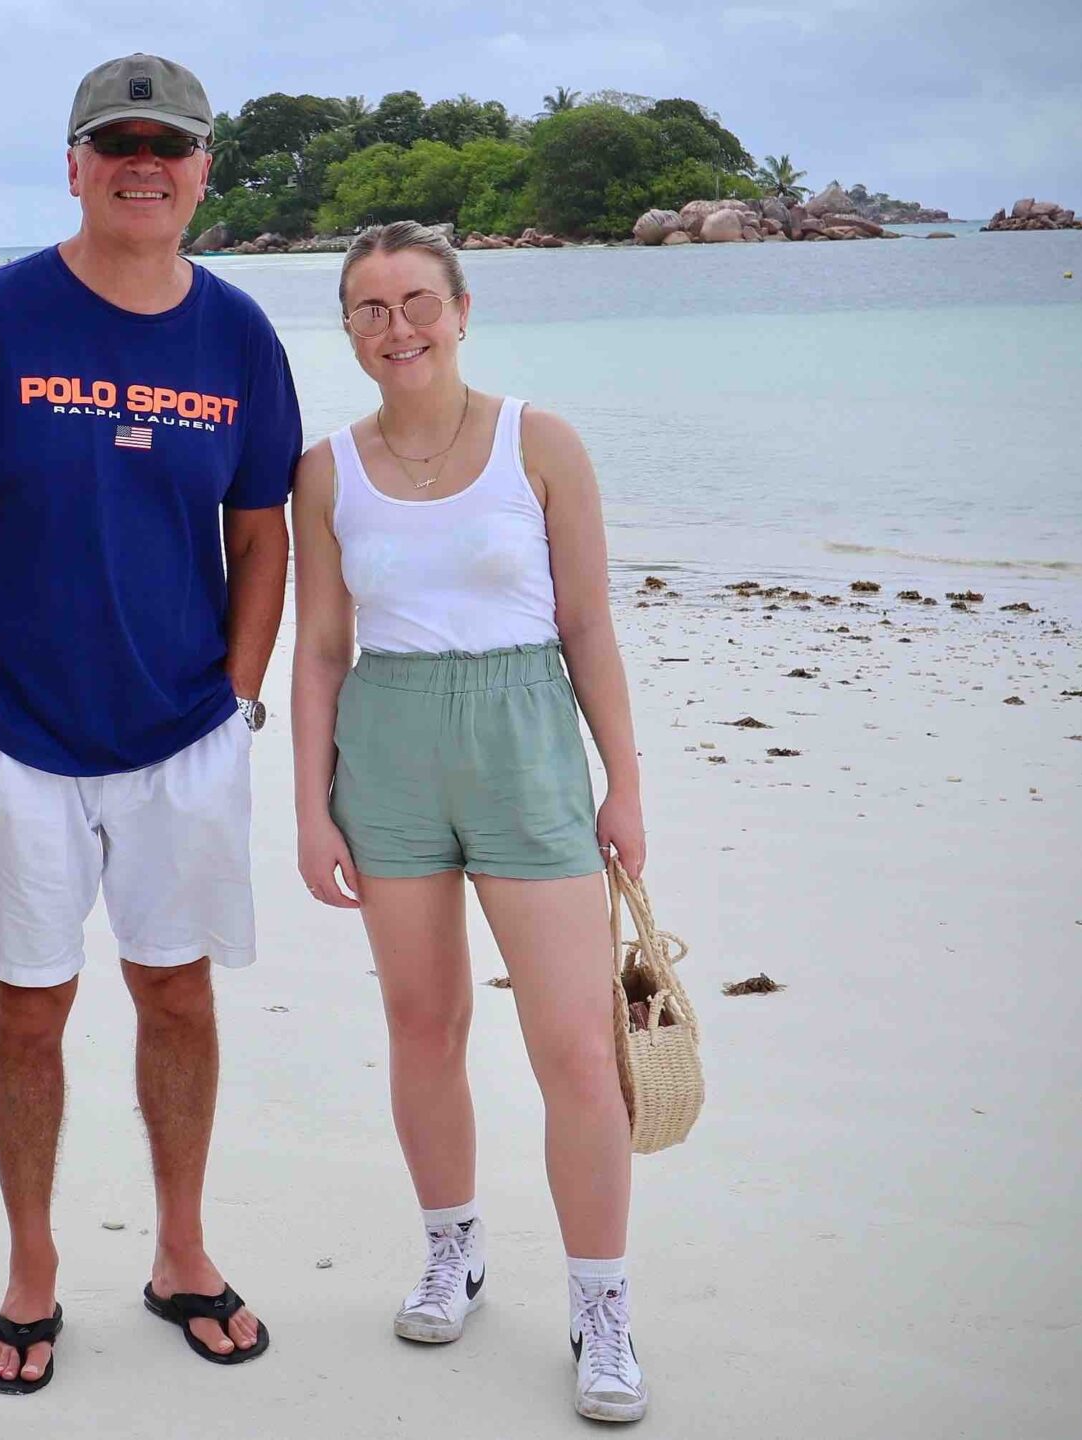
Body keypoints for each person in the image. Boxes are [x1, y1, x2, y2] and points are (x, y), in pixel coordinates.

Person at [0, 52, 299, 1395]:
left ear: (200, 174)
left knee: (175, 992)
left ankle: (182, 1251)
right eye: (115, 142)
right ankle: (31, 1270)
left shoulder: (238, 334)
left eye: (168, 145)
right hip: (23, 737)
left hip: (184, 732)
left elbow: (263, 533)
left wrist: (238, 695)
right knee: (27, 1009)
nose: (143, 163)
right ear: (72, 164)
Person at [287, 222, 653, 1423]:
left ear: (461, 308)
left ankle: (601, 1306)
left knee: (575, 1047)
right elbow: (323, 652)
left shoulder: (538, 442)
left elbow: (588, 626)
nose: (397, 329)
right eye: (368, 310)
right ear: (347, 331)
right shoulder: (324, 469)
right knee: (423, 1023)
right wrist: (310, 807)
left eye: (415, 302)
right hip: (386, 753)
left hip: (523, 744)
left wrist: (624, 784)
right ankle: (453, 1250)